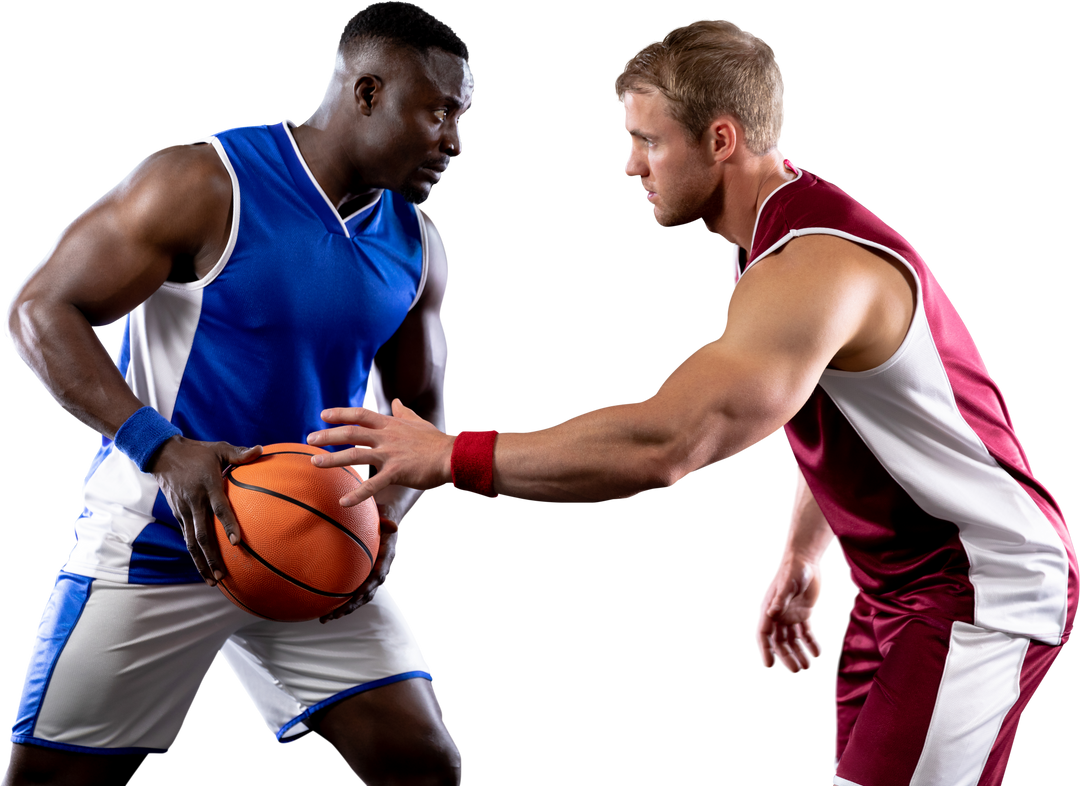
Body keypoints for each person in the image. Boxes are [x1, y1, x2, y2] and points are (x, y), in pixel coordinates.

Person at [305, 16, 1078, 786]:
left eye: (649, 141)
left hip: (979, 582)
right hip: (897, 585)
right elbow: (843, 411)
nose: (628, 166)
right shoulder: (775, 238)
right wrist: (804, 555)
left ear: (720, 140)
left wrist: (447, 457)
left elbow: (665, 444)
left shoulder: (814, 268)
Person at [1, 2, 472, 784]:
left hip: (311, 536)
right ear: (365, 92)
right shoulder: (202, 181)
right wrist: (163, 446)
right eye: (439, 112)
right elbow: (37, 312)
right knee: (51, 782)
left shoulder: (417, 243)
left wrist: (384, 514)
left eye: (461, 118)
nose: (456, 140)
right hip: (159, 535)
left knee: (420, 763)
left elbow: (421, 415)